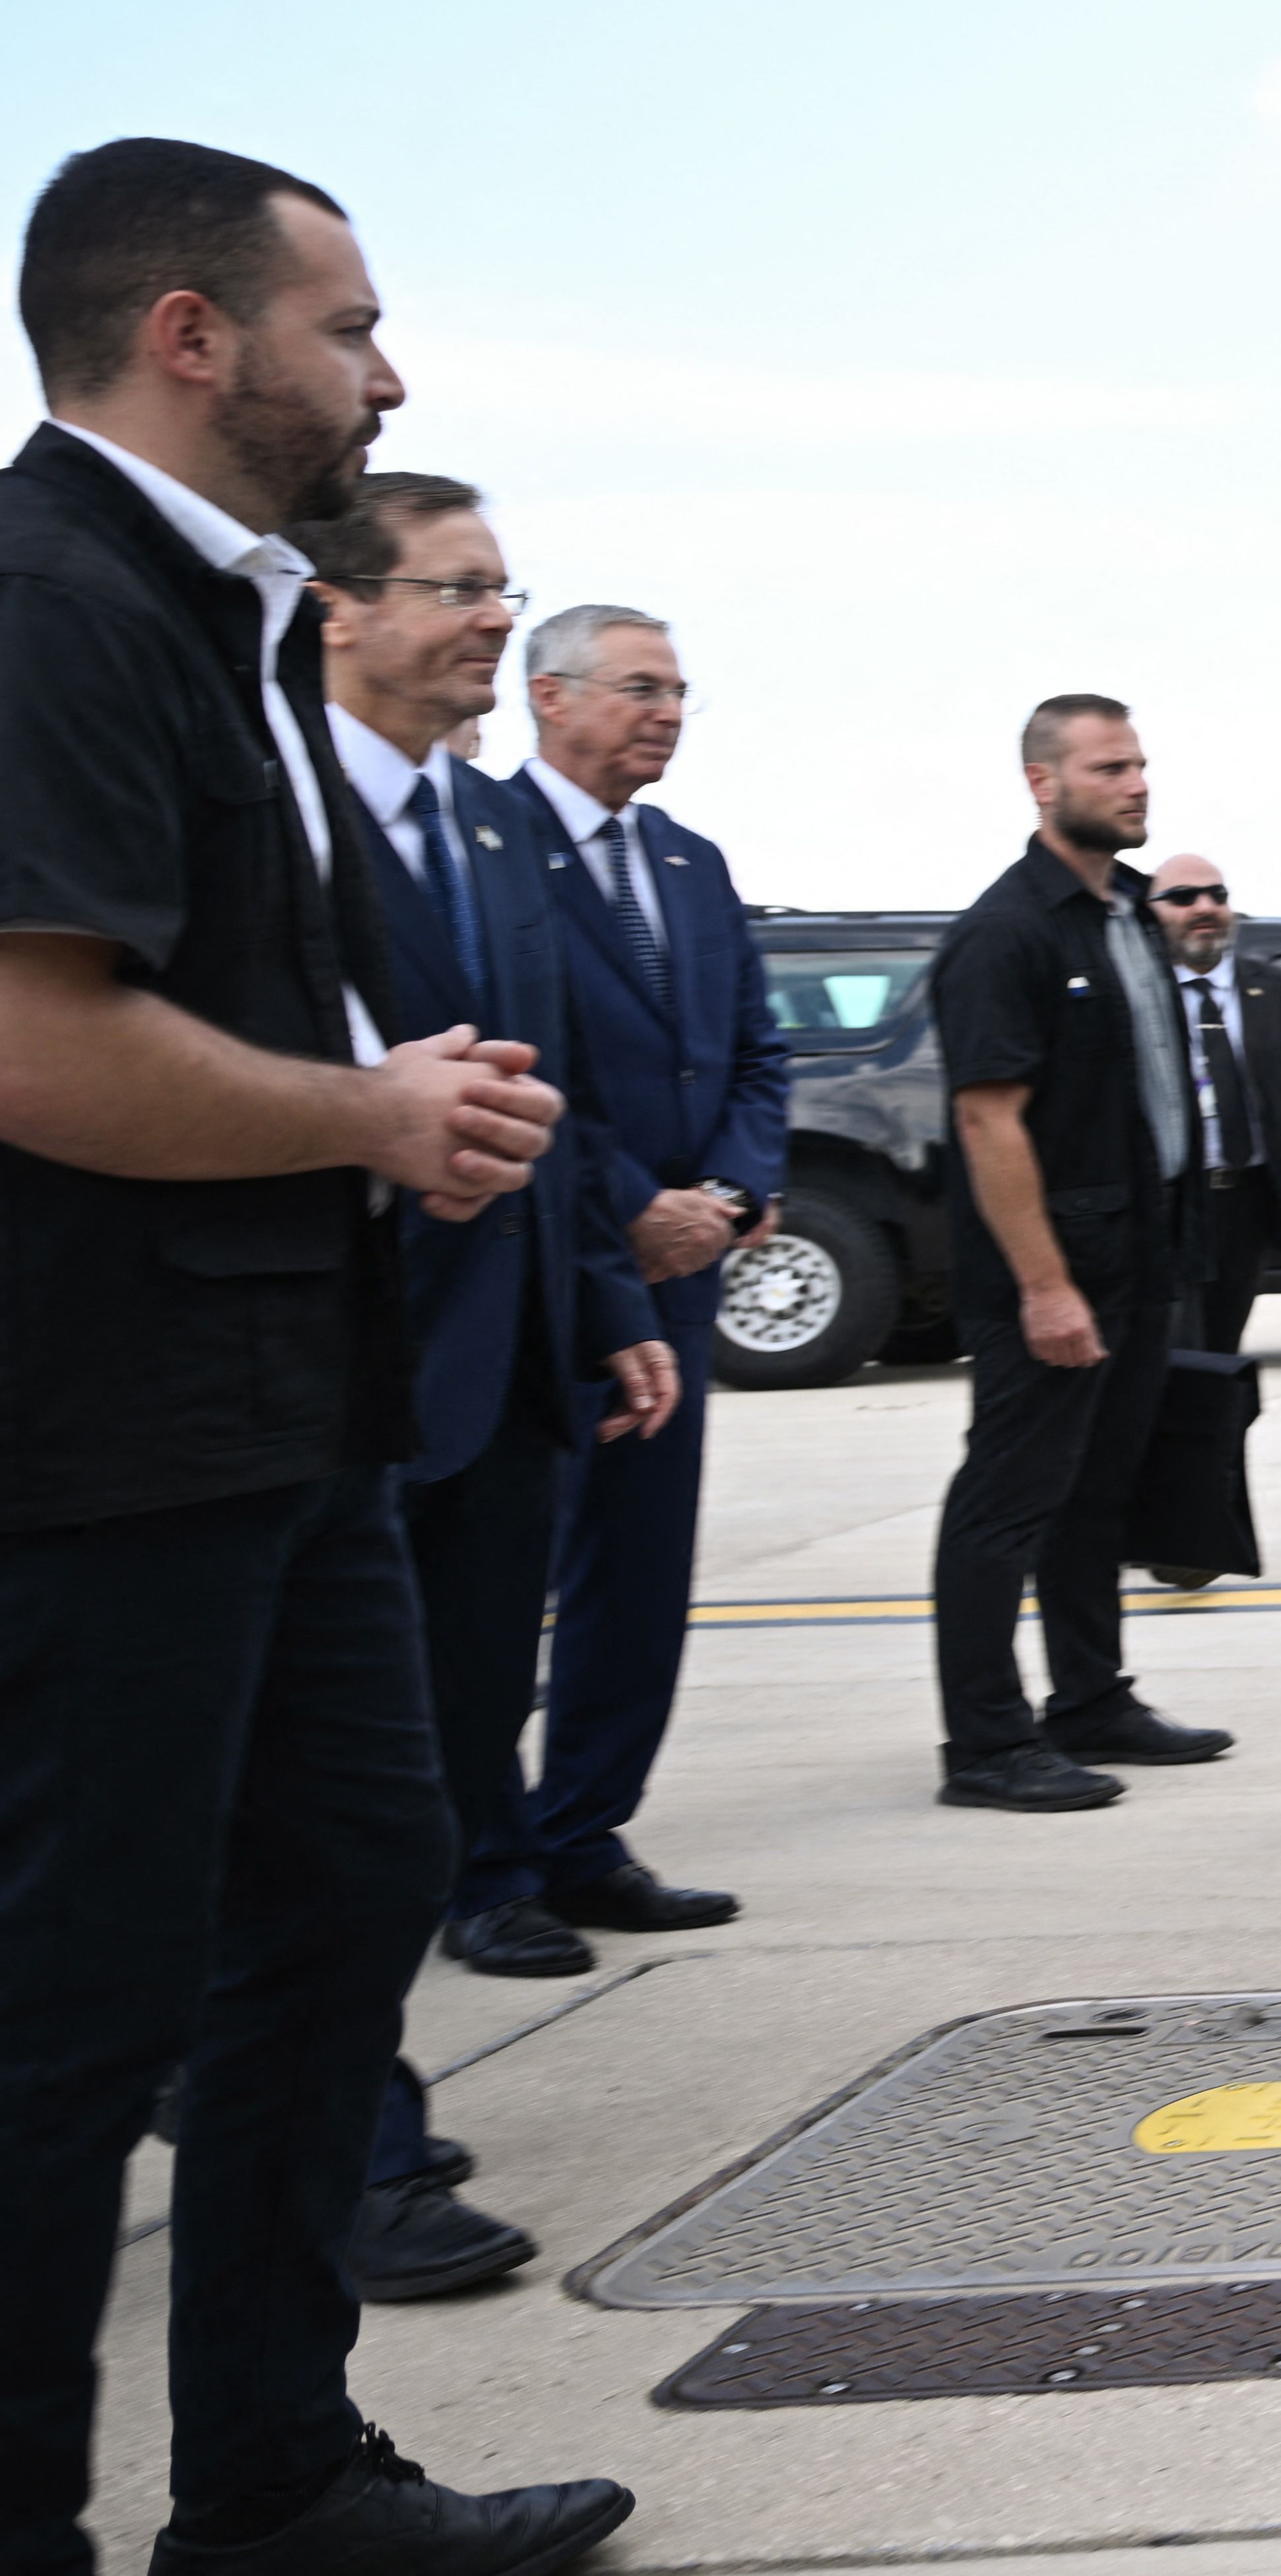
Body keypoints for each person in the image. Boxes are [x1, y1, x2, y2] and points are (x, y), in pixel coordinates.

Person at [0, 137, 632, 2576]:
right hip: (109, 1427)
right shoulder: (58, 600)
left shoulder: (236, 619)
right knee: (73, 2005)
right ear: (188, 334)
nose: (387, 372)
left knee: (354, 1887)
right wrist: (369, 1119)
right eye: (349, 326)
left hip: (288, 1413)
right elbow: (36, 1037)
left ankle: (269, 2487)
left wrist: (396, 1097)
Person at [293, 476, 682, 2313]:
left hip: (513, 1346)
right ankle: (340, 2130)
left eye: (499, 589)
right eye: (455, 591)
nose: (482, 619)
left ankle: (344, 2081)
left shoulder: (503, 843)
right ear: (338, 613)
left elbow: (564, 1105)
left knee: (439, 1738)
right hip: (337, 1365)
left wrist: (605, 1301)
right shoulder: (283, 815)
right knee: (327, 1802)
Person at [503, 599, 783, 1950]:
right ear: (548, 698)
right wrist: (634, 1208)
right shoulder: (486, 850)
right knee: (500, 1584)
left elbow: (754, 1053)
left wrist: (724, 1200)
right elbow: (521, 1065)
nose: (666, 711)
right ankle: (483, 1866)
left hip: (677, 1278)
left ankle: (583, 1831)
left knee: (642, 1566)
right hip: (542, 1272)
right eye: (639, 687)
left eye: (678, 691)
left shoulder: (692, 862)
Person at [923, 695, 1239, 1815]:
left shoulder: (1128, 918)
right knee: (1006, 1504)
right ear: (1041, 783)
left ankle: (1092, 1697)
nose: (1137, 782)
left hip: (1142, 1259)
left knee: (1100, 1497)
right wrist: (1045, 1285)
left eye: (1142, 762)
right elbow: (988, 1121)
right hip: (1054, 1273)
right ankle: (986, 1741)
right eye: (1111, 766)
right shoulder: (1008, 932)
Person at [1146, 852, 1281, 1356]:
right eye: (1183, 898)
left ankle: (1217, 1435)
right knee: (1166, 1348)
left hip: (1244, 1204)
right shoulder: (1141, 995)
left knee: (1219, 1349)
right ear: (1150, 912)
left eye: (1218, 895)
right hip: (1168, 1204)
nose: (1205, 907)